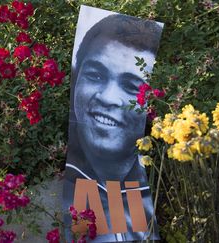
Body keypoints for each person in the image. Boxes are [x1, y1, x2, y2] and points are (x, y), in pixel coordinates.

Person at [64, 12, 162, 242]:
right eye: (95, 75)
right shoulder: (48, 194)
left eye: (131, 86)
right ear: (77, 76)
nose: (108, 98)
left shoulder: (164, 193)